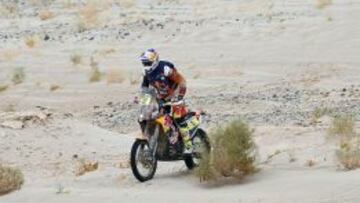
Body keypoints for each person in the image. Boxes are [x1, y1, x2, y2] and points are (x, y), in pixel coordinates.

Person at [139, 48, 193, 154]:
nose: (146, 65)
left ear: (154, 61)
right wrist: (143, 102)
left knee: (178, 116)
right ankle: (148, 138)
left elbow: (181, 81)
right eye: (144, 63)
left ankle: (188, 145)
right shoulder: (146, 72)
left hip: (176, 91)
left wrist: (179, 97)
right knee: (144, 117)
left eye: (148, 62)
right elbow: (145, 88)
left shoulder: (165, 69)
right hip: (161, 94)